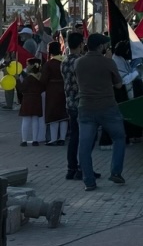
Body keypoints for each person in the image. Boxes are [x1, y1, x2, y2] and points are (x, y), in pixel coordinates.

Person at [75, 33, 126, 191]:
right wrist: (109, 62)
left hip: (85, 107)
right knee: (119, 137)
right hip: (107, 107)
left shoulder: (78, 62)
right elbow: (119, 85)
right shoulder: (108, 62)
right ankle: (115, 171)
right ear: (100, 46)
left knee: (84, 146)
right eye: (105, 45)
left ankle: (89, 181)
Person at [62, 32, 98, 181]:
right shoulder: (81, 61)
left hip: (69, 102)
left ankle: (71, 168)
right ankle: (84, 168)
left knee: (74, 137)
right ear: (81, 44)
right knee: (88, 137)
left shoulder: (64, 61)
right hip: (82, 102)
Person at [40, 41, 68, 145]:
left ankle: (53, 139)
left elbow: (43, 80)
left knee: (53, 115)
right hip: (65, 88)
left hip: (52, 90)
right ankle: (62, 138)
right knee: (63, 115)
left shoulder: (49, 64)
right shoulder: (65, 61)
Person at [17, 59, 45, 146]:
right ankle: (35, 140)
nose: (27, 66)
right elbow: (43, 88)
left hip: (27, 99)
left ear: (32, 65)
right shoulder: (40, 77)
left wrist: (17, 81)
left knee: (26, 120)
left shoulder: (28, 79)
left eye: (28, 64)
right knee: (35, 120)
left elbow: (21, 89)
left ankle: (24, 140)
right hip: (37, 99)